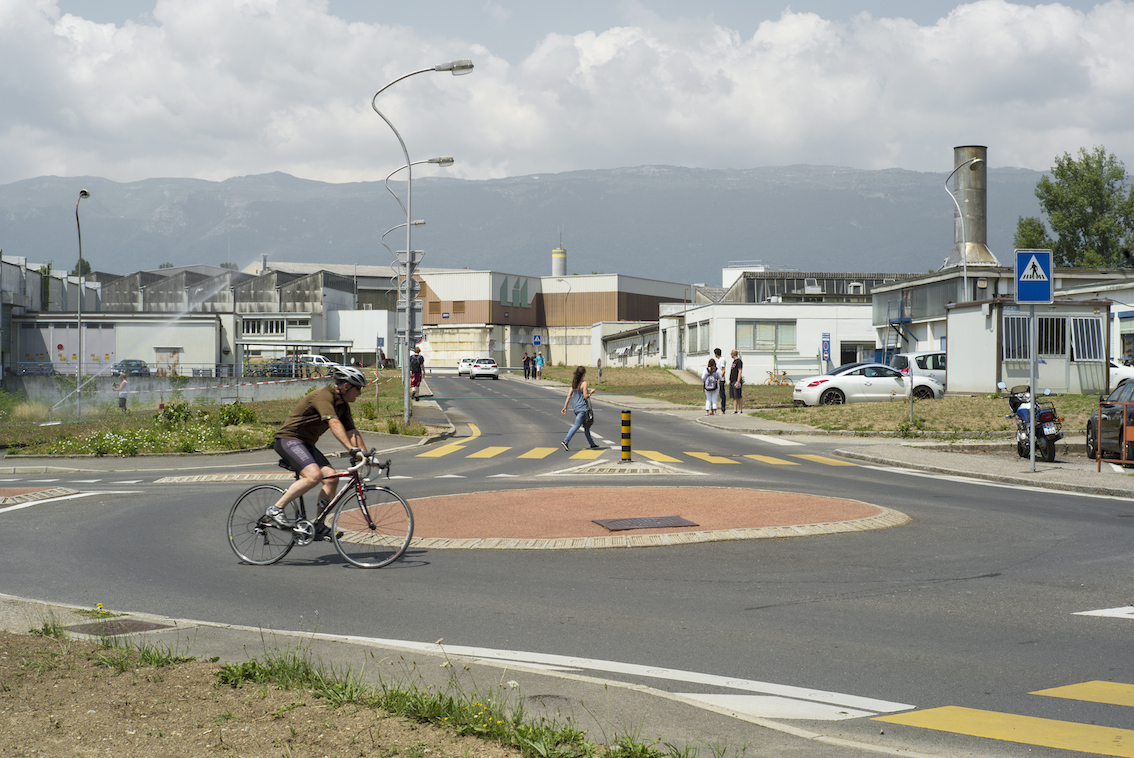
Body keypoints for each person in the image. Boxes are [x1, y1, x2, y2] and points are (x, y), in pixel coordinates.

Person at [264, 366, 368, 541]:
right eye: (358, 389)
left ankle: (319, 524)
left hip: (306, 444)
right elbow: (333, 423)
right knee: (314, 475)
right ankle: (276, 509)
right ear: (346, 387)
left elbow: (353, 433)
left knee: (332, 478)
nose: (360, 393)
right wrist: (350, 450)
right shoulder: (324, 395)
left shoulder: (343, 406)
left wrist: (368, 457)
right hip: (288, 440)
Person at [561, 365, 600, 451]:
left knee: (586, 426)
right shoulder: (584, 384)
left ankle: (592, 444)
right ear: (584, 373)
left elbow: (568, 396)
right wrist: (591, 393)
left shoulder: (574, 384)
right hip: (582, 408)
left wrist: (565, 407)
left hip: (575, 407)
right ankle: (565, 441)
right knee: (577, 425)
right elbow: (585, 396)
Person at [728, 349, 744, 413]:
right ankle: (735, 410)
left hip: (736, 380)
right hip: (732, 380)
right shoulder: (734, 362)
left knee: (738, 395)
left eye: (731, 353)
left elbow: (740, 371)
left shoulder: (739, 361)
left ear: (733, 354)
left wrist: (738, 381)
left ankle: (740, 409)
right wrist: (730, 380)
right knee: (734, 396)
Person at [714, 348, 727, 413]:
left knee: (722, 395)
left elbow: (723, 370)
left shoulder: (722, 360)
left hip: (721, 380)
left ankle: (723, 409)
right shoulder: (719, 360)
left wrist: (719, 378)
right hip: (717, 379)